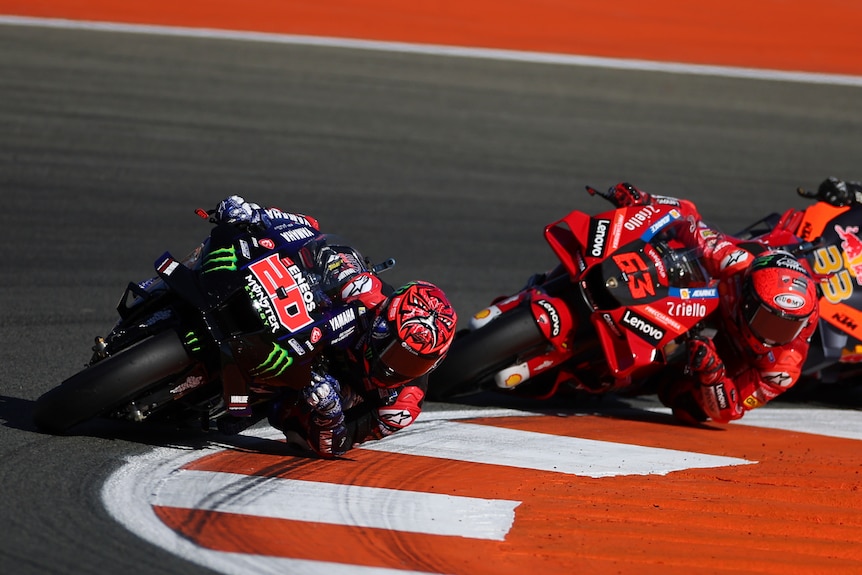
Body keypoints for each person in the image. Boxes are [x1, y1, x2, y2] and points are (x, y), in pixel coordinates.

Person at [212, 195, 457, 457]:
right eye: (396, 351)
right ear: (383, 324)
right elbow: (308, 232)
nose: (395, 367)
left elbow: (338, 445)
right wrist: (259, 216)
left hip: (305, 392)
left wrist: (330, 413)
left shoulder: (402, 407)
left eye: (413, 363)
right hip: (296, 328)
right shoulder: (365, 290)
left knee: (302, 436)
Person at [598, 183, 819, 424]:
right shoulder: (735, 262)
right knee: (672, 249)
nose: (773, 335)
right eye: (768, 321)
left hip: (728, 359)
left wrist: (713, 374)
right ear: (749, 297)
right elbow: (687, 218)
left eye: (786, 327)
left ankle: (643, 375)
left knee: (689, 408)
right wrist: (645, 201)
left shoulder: (784, 368)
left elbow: (729, 410)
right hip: (708, 300)